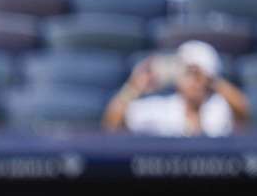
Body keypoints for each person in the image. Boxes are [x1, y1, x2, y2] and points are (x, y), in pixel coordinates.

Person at [104, 40, 249, 137]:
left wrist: (212, 80)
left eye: (198, 75)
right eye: (187, 73)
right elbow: (113, 123)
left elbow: (243, 111)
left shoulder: (219, 108)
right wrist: (133, 87)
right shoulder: (161, 108)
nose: (193, 81)